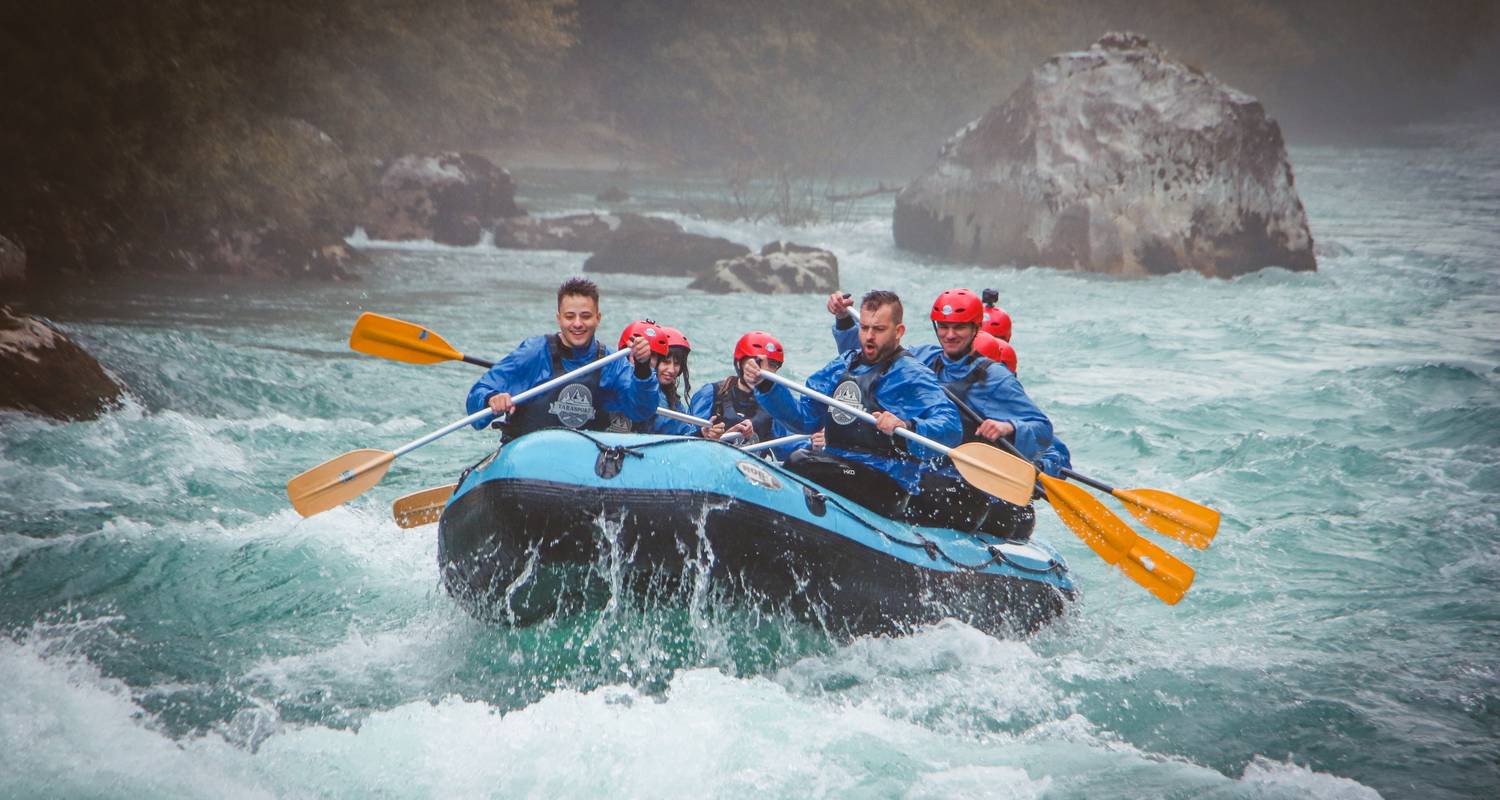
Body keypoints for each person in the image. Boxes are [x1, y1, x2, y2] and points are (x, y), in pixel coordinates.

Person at [831, 288, 1050, 538]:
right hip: (919, 469)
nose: (949, 335)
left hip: (963, 483)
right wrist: (844, 321)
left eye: (959, 328)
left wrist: (1009, 427)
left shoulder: (997, 379)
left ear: (975, 328)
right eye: (944, 327)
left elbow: (1043, 429)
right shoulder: (923, 357)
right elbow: (866, 360)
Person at [749, 290, 961, 515]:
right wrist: (766, 385)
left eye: (879, 329)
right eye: (865, 328)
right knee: (801, 460)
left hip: (886, 480)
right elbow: (804, 419)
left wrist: (906, 426)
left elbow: (951, 427)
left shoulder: (912, 375)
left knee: (799, 461)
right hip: (840, 465)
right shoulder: (844, 364)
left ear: (898, 332)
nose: (869, 336)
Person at [465, 277, 658, 438]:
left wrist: (642, 369)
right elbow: (476, 400)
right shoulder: (534, 353)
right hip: (529, 463)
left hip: (582, 466)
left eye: (585, 316)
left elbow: (642, 410)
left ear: (598, 318)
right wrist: (491, 399)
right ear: (559, 318)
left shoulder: (610, 362)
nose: (577, 324)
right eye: (569, 316)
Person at [689, 331, 803, 459]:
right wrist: (704, 435)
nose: (763, 370)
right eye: (757, 362)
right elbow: (686, 438)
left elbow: (790, 446)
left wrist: (815, 443)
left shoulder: (776, 403)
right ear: (739, 364)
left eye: (772, 365)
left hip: (755, 471)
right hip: (712, 461)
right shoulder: (710, 394)